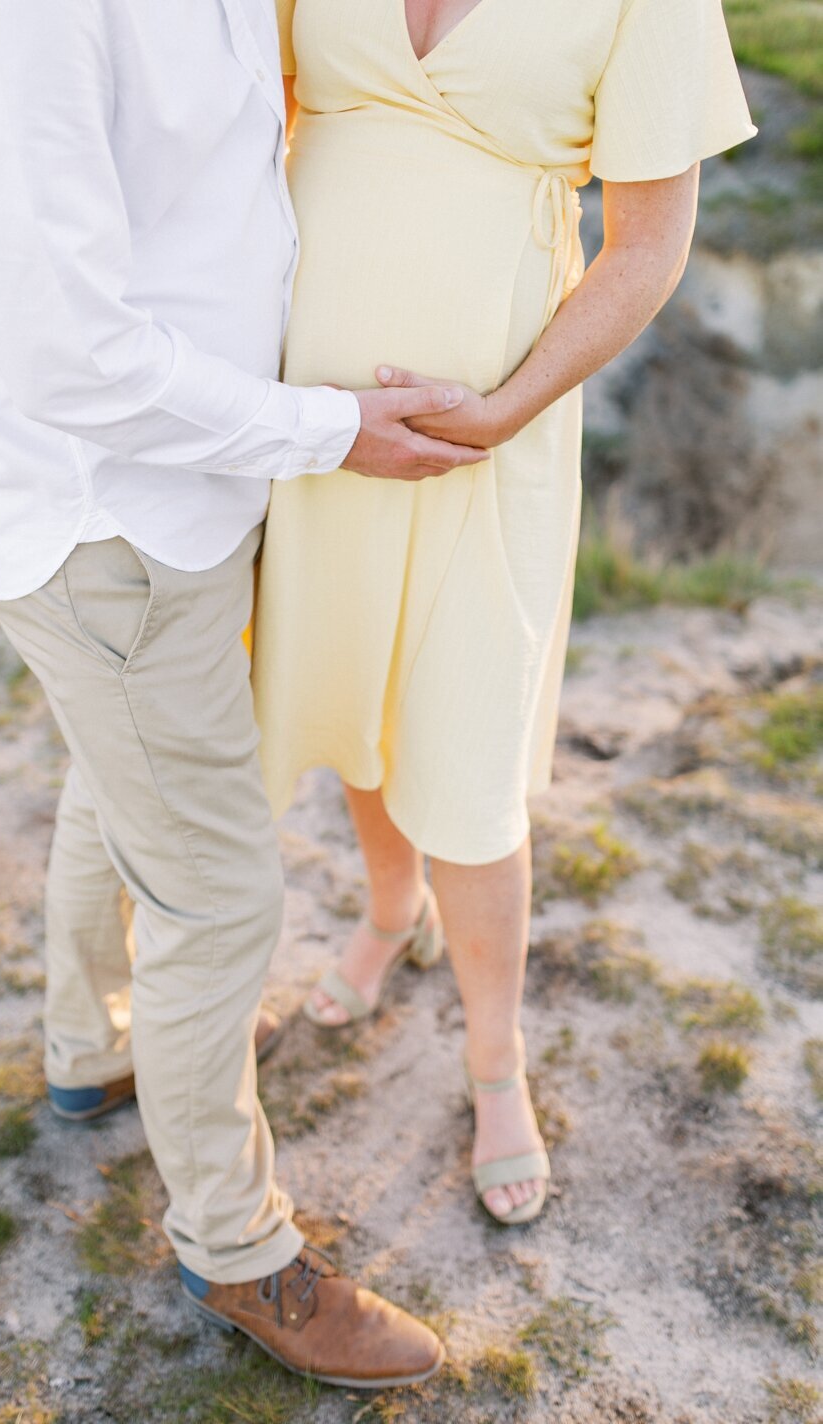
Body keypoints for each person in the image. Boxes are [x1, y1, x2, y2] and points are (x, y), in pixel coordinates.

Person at [0, 0, 500, 1390]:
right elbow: (68, 357)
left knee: (127, 780)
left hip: (185, 489)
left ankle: (87, 1047)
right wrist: (325, 430)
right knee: (219, 893)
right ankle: (235, 1245)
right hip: (109, 517)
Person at [252, 0, 756, 1224]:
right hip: (306, 423)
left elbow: (643, 249)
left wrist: (502, 407)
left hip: (492, 439)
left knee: (467, 757)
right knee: (348, 687)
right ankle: (386, 909)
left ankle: (493, 1061)